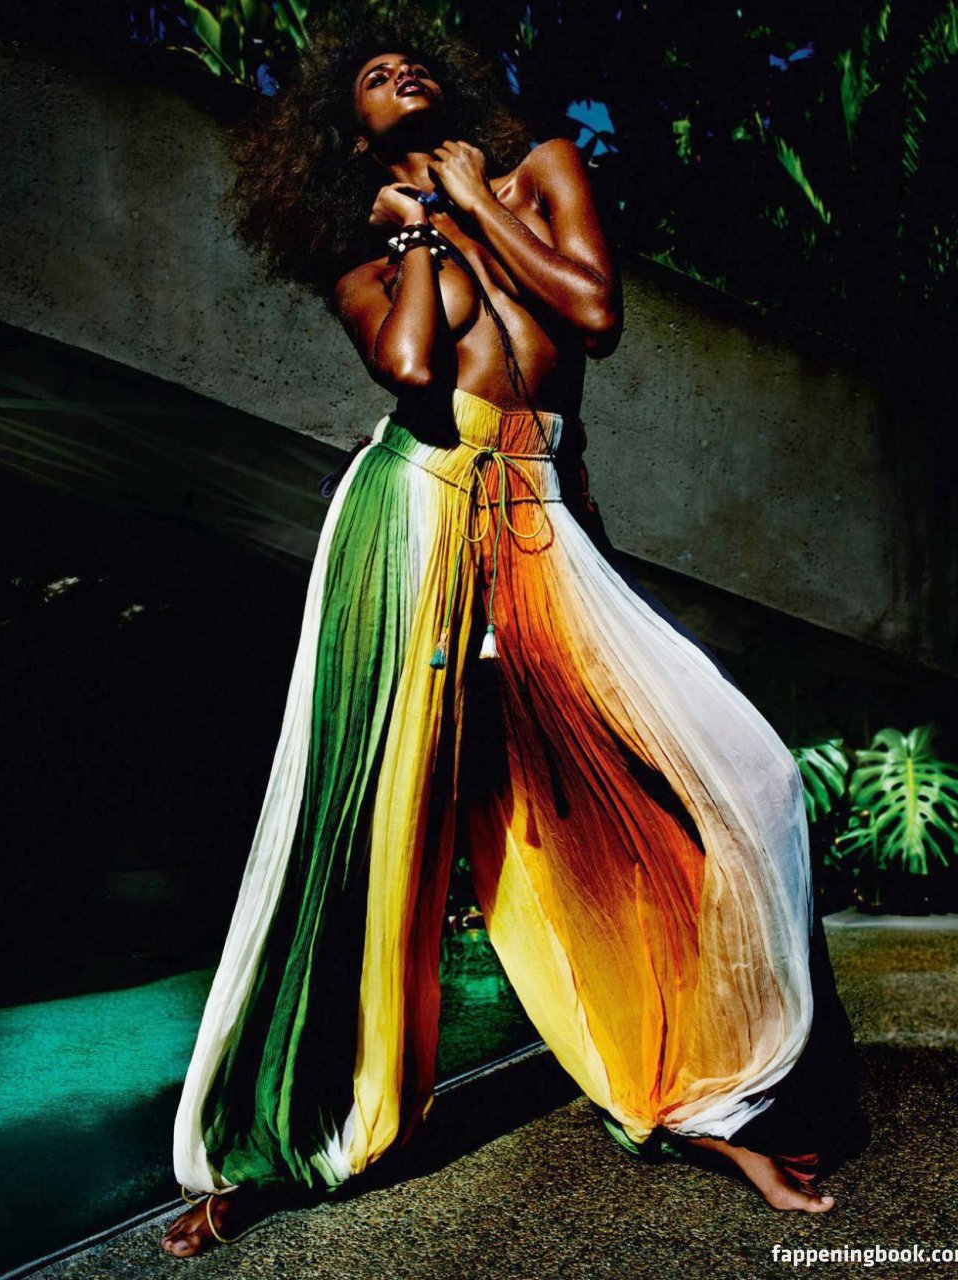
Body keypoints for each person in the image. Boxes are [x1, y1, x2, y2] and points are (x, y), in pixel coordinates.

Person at [161, 14, 867, 1259]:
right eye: (369, 76)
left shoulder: (539, 169)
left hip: (541, 524)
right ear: (346, 134)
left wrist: (476, 203)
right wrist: (418, 234)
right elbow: (411, 367)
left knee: (746, 775)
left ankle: (708, 1100)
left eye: (410, 58)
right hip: (410, 513)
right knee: (360, 829)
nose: (399, 69)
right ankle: (278, 1140)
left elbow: (592, 312)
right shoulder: (364, 250)